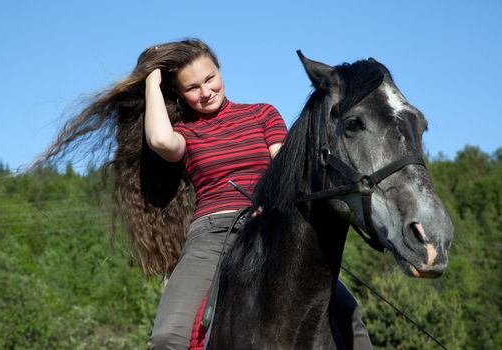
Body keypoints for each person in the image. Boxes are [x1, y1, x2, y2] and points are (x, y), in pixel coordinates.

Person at [34, 38, 372, 349]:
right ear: (180, 95)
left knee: (350, 318)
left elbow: (283, 168)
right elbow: (161, 142)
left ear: (220, 71)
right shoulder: (185, 132)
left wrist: (269, 205)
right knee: (169, 337)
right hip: (212, 233)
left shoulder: (262, 114)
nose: (206, 91)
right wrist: (152, 80)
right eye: (192, 88)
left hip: (269, 229)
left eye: (210, 78)